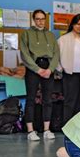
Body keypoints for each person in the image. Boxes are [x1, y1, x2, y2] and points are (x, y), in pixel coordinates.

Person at [20, 10, 60, 141]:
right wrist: (37, 69)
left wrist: (50, 69)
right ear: (33, 20)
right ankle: (31, 131)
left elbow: (56, 54)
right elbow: (25, 54)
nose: (40, 21)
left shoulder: (51, 35)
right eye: (37, 19)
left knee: (48, 99)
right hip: (33, 68)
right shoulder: (26, 34)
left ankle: (47, 130)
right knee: (31, 99)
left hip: (48, 67)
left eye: (43, 19)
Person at [58, 14, 80, 124]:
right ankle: (67, 125)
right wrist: (60, 69)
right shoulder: (63, 39)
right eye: (78, 24)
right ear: (73, 24)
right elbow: (56, 57)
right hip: (70, 74)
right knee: (70, 101)